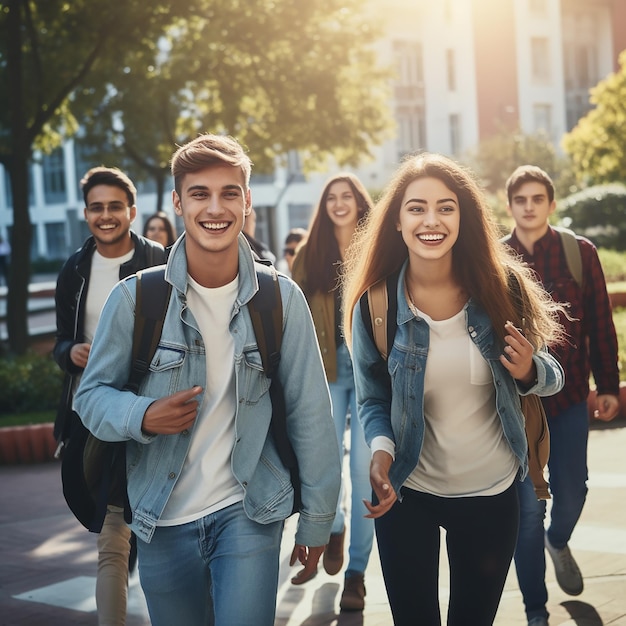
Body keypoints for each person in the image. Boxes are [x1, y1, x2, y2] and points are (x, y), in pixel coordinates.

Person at [73, 134, 341, 626]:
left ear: (246, 200)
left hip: (250, 509)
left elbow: (312, 414)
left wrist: (319, 519)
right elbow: (89, 398)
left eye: (229, 193)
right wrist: (143, 415)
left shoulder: (281, 300)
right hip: (160, 517)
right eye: (199, 194)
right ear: (178, 202)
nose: (215, 208)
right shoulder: (137, 299)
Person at [342, 153, 566, 626]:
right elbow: (372, 399)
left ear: (463, 218)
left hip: (490, 493)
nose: (431, 220)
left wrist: (529, 370)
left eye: (446, 207)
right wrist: (381, 448)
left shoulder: (501, 289)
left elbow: (552, 374)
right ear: (398, 222)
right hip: (409, 493)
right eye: (416, 207)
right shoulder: (375, 306)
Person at [504, 165, 620, 626]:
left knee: (572, 492)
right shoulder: (497, 258)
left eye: (537, 199)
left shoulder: (579, 253)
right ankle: (536, 609)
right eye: (520, 200)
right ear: (510, 206)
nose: (529, 207)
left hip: (570, 397)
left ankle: (560, 539)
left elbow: (599, 325)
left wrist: (608, 386)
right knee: (526, 512)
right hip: (517, 407)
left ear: (551, 204)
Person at [53, 166, 166, 625]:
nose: (106, 215)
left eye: (115, 206)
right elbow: (62, 339)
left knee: (161, 535)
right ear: (85, 214)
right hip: (96, 416)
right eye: (96, 207)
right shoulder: (74, 270)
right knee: (112, 538)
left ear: (131, 211)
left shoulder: (159, 260)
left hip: (154, 415)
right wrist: (70, 351)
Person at [291, 173, 374, 611]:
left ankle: (357, 574)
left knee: (365, 472)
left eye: (347, 197)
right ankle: (335, 525)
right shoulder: (308, 255)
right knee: (325, 466)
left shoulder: (383, 249)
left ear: (360, 202)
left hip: (370, 375)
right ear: (323, 207)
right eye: (331, 198)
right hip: (324, 373)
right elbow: (294, 319)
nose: (339, 204)